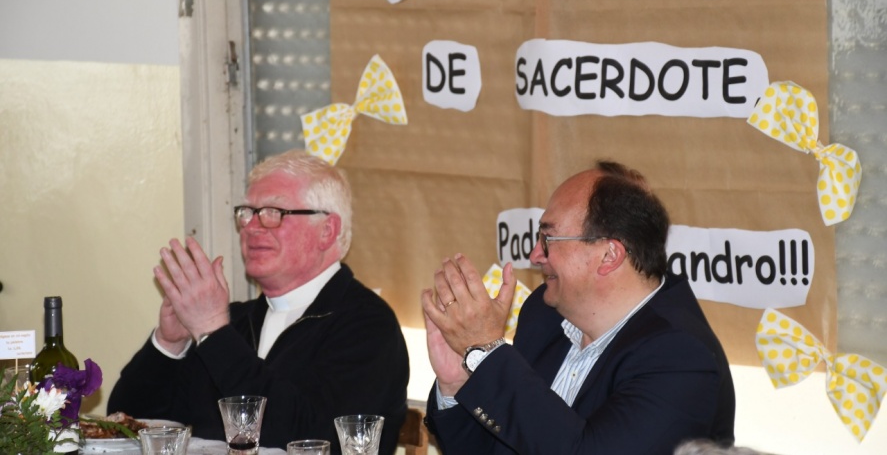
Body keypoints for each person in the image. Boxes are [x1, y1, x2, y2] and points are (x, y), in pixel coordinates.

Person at [421, 160, 735, 454]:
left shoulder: (681, 357)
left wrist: (487, 352)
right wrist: (458, 382)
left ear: (609, 256)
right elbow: (501, 444)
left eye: (548, 238)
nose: (534, 255)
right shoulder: (543, 314)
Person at [108, 150, 409, 454]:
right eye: (247, 213)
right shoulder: (235, 321)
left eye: (273, 212)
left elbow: (314, 437)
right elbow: (125, 426)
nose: (251, 226)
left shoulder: (369, 325)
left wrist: (213, 332)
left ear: (326, 231)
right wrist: (168, 345)